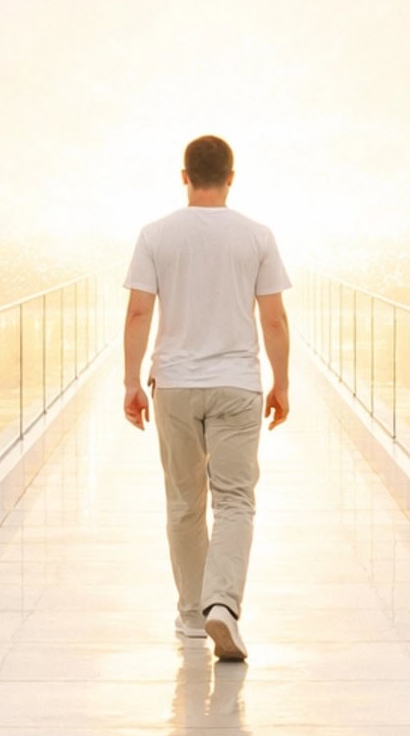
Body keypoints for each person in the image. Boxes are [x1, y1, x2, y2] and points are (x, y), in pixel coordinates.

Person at [122, 135, 291, 661]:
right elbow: (273, 318)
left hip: (173, 383)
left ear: (184, 175)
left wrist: (131, 381)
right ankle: (223, 605)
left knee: (183, 503)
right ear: (231, 177)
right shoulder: (256, 236)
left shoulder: (156, 235)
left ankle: (194, 616)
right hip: (238, 383)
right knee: (235, 500)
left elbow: (139, 314)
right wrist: (281, 382)